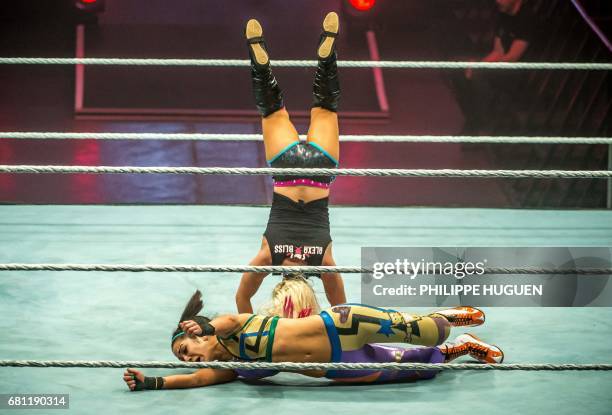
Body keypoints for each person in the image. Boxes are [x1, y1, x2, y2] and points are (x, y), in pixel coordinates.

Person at [122, 288, 503, 390]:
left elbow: (224, 321)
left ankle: (447, 317)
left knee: (430, 329)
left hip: (343, 326)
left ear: (200, 334)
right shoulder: (233, 368)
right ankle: (462, 347)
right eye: (181, 357)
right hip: (337, 367)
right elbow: (197, 380)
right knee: (416, 369)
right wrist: (152, 382)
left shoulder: (234, 326)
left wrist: (205, 328)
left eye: (185, 350)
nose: (187, 359)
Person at [235, 12, 347, 314]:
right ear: (281, 279)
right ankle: (259, 62)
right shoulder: (268, 257)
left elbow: (341, 309)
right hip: (286, 171)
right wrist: (253, 330)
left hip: (319, 172)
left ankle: (327, 58)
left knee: (325, 106)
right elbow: (241, 300)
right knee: (272, 109)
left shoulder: (322, 263)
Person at [456, 0, 536, 133]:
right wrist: (478, 66)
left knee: (479, 76)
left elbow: (512, 57)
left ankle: (481, 124)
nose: (497, 1)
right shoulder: (503, 14)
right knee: (461, 69)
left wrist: (481, 69)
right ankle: (474, 119)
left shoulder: (527, 18)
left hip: (519, 71)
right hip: (503, 65)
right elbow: (497, 51)